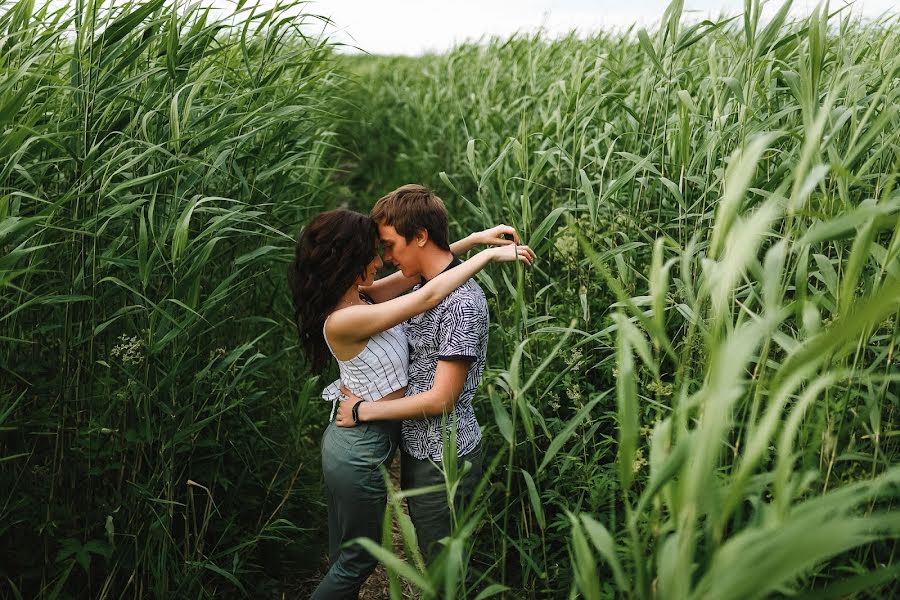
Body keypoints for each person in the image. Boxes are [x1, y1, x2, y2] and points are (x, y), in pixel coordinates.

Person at [288, 206, 533, 599]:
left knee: (345, 559)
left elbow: (422, 270)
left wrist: (470, 242)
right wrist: (486, 257)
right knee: (355, 563)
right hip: (357, 446)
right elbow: (428, 293)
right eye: (375, 251)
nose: (382, 259)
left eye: (385, 247)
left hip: (365, 440)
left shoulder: (362, 297)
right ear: (352, 261)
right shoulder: (345, 318)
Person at [335, 184, 517, 569]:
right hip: (420, 451)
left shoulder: (462, 305)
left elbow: (441, 399)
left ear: (419, 237)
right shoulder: (422, 282)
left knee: (446, 576)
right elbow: (371, 293)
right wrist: (474, 242)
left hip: (445, 458)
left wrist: (361, 411)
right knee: (435, 566)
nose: (384, 258)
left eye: (390, 246)